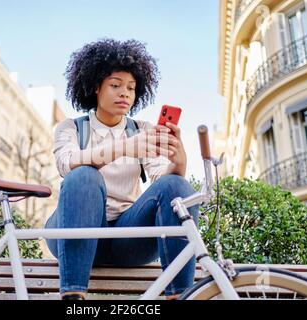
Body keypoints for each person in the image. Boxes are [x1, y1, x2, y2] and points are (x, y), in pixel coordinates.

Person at [45, 38, 199, 300]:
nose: (125, 93)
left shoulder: (142, 130)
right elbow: (66, 163)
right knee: (83, 174)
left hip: (128, 239)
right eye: (115, 85)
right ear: (95, 87)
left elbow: (163, 180)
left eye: (131, 87)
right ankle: (72, 296)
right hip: (76, 233)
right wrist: (125, 147)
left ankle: (180, 295)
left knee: (178, 186)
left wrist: (179, 161)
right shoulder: (70, 128)